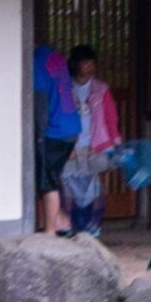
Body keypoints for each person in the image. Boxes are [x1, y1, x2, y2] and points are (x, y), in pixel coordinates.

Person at [59, 50, 119, 237]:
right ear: (75, 65)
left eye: (92, 63)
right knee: (67, 183)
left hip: (95, 145)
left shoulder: (101, 89)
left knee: (92, 185)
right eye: (86, 63)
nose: (91, 67)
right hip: (70, 145)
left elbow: (111, 118)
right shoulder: (64, 87)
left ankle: (93, 226)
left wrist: (113, 144)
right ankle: (67, 224)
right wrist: (63, 146)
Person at [31, 42, 88, 233]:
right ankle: (62, 221)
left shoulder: (37, 62)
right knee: (52, 176)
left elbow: (40, 105)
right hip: (71, 126)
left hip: (55, 130)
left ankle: (50, 232)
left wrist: (38, 136)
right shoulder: (55, 58)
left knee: (47, 181)